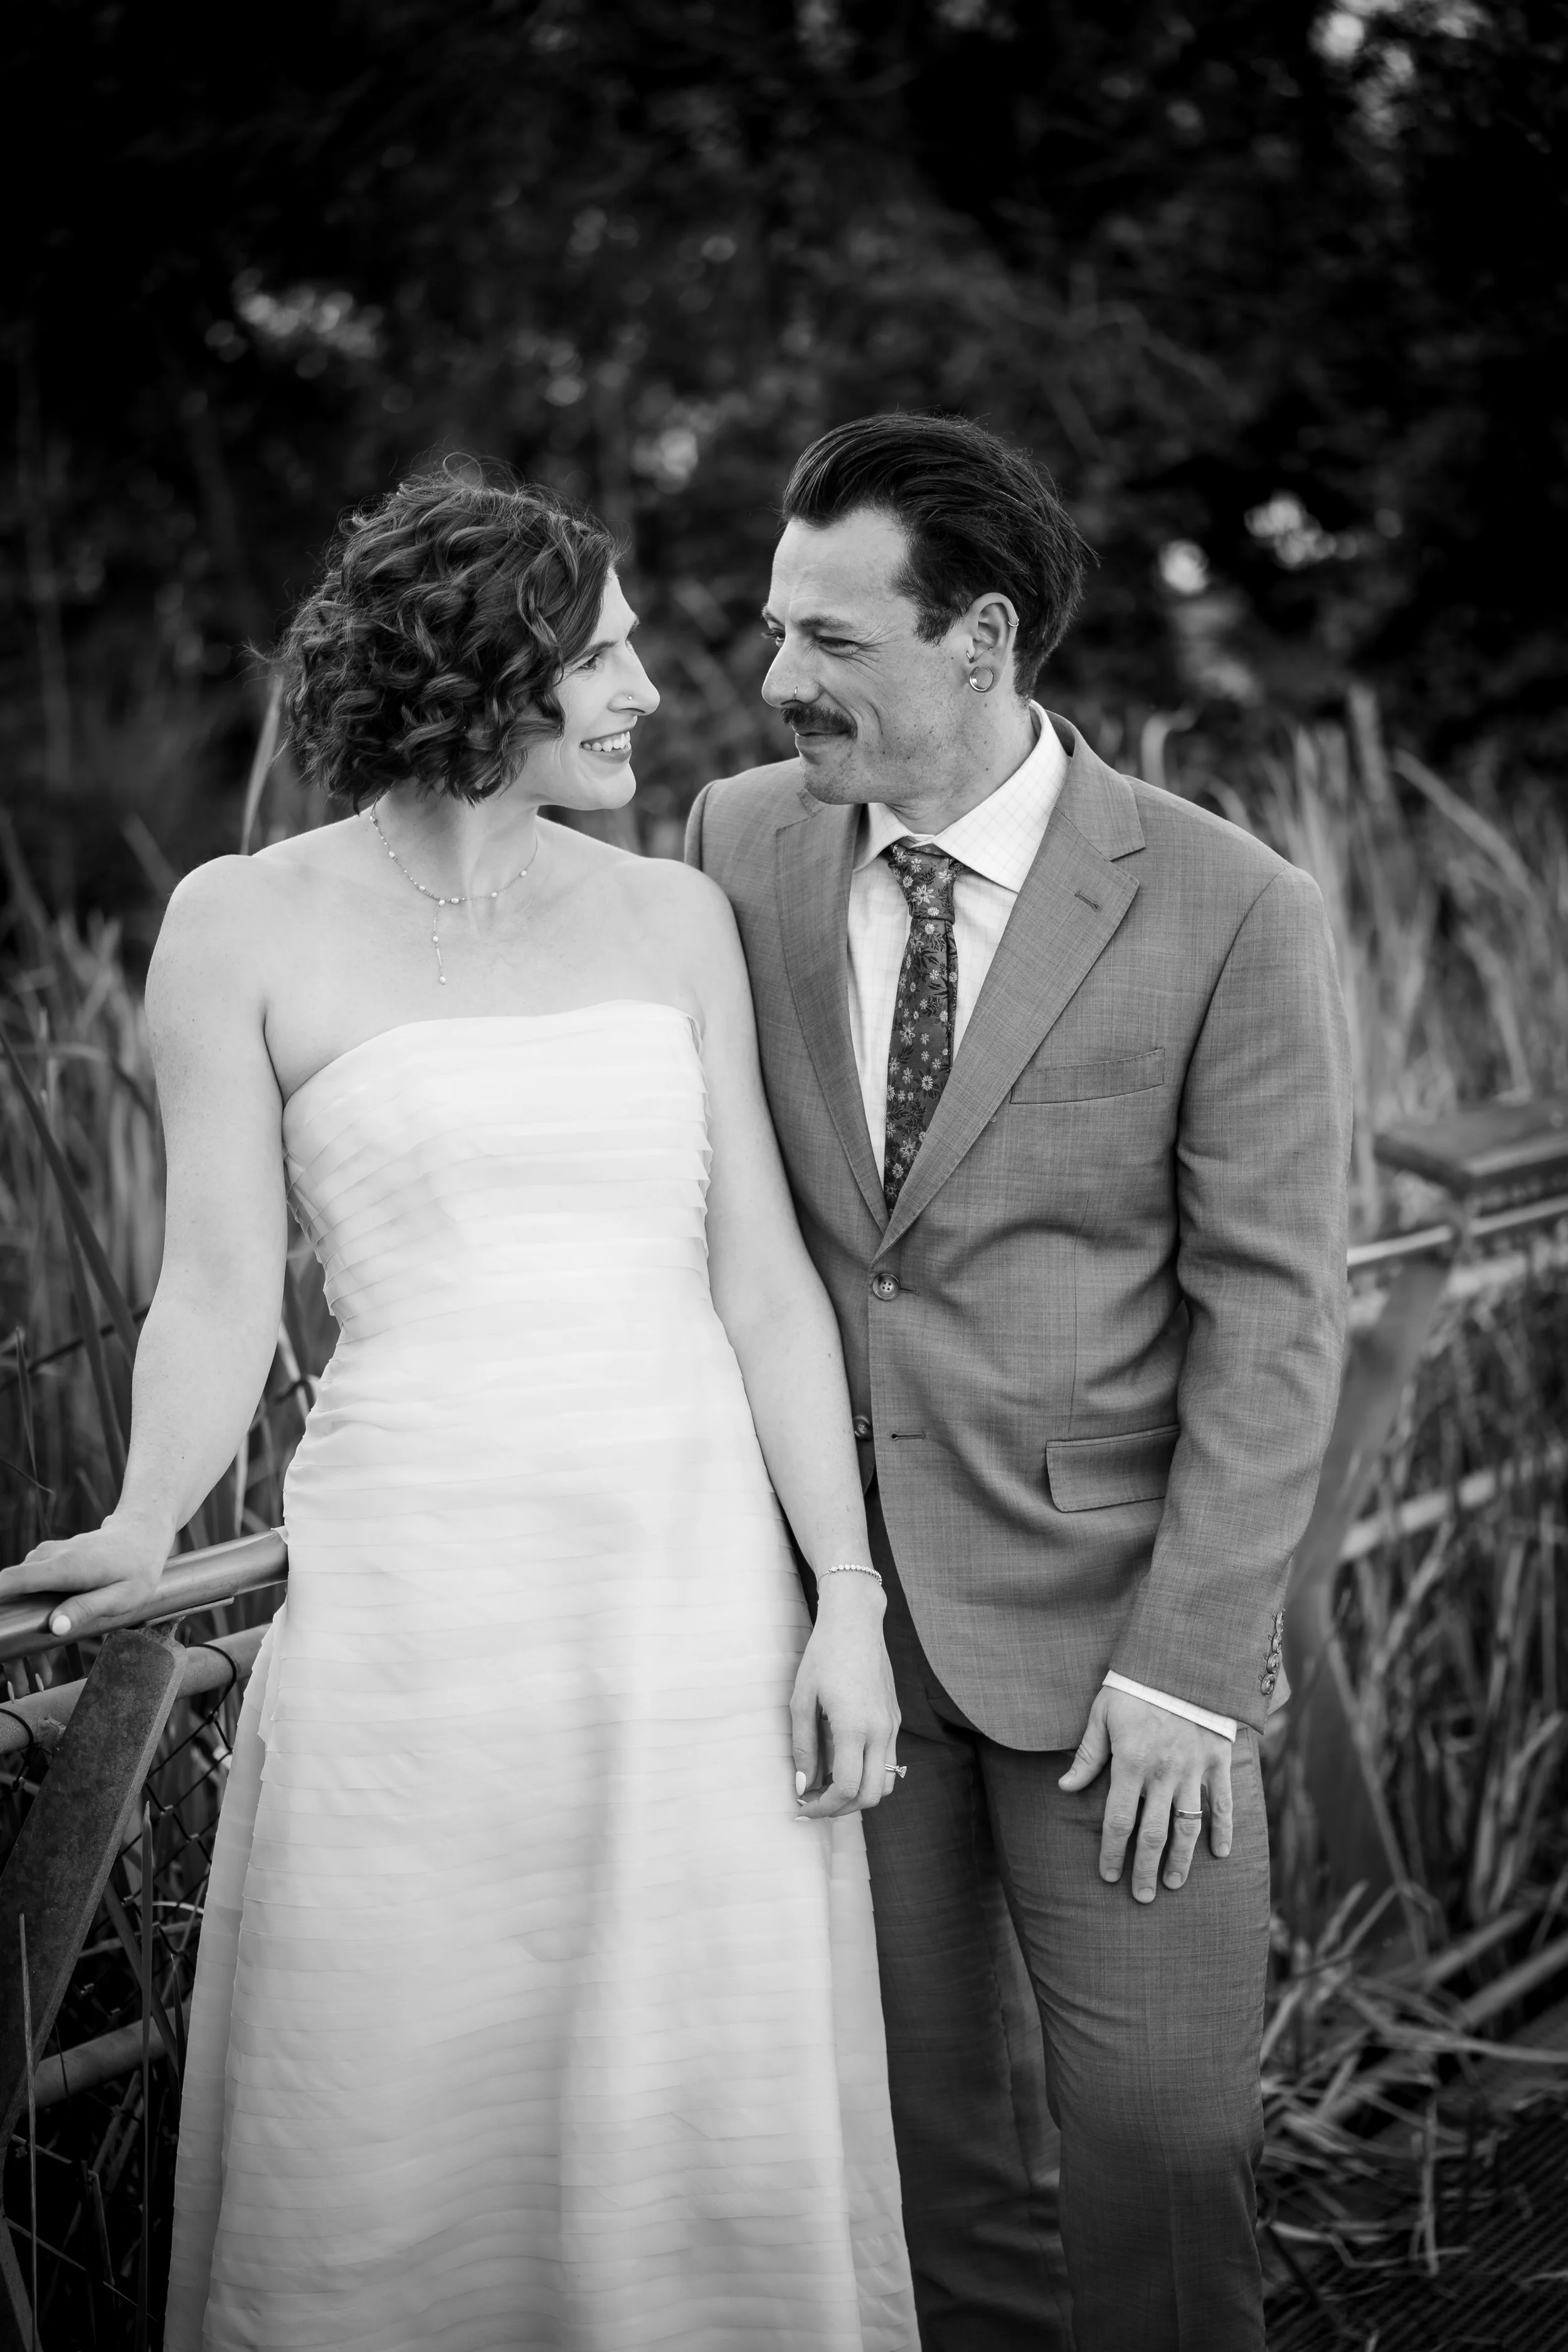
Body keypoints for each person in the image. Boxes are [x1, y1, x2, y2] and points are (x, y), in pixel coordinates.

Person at [0, 470, 918, 2352]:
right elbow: (217, 1282)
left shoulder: (670, 917)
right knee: (411, 2068)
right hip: (418, 1592)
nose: (649, 691)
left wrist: (843, 1594)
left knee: (688, 2065)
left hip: (681, 1589)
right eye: (600, 655)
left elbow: (761, 1284)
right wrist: (144, 1514)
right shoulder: (236, 923)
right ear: (475, 671)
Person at [686, 412, 1353, 2352]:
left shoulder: (1232, 906)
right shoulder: (739, 841)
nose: (777, 677)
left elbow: (1275, 1318)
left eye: (834, 640)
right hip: (839, 1636)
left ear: (979, 639)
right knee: (924, 2164)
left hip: (1114, 1656)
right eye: (773, 630)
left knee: (1155, 2158)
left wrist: (1184, 1666)